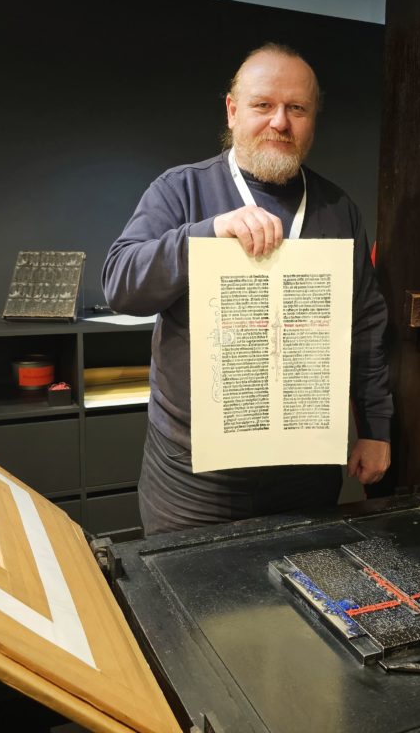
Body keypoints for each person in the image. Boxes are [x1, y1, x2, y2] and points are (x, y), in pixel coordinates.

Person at [102, 43, 392, 535]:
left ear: (312, 119)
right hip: (196, 478)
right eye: (263, 105)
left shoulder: (336, 208)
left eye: (297, 109)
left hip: (306, 466)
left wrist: (376, 430)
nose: (280, 122)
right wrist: (206, 234)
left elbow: (364, 322)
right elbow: (120, 283)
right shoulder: (181, 191)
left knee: (300, 598)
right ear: (233, 111)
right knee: (193, 599)